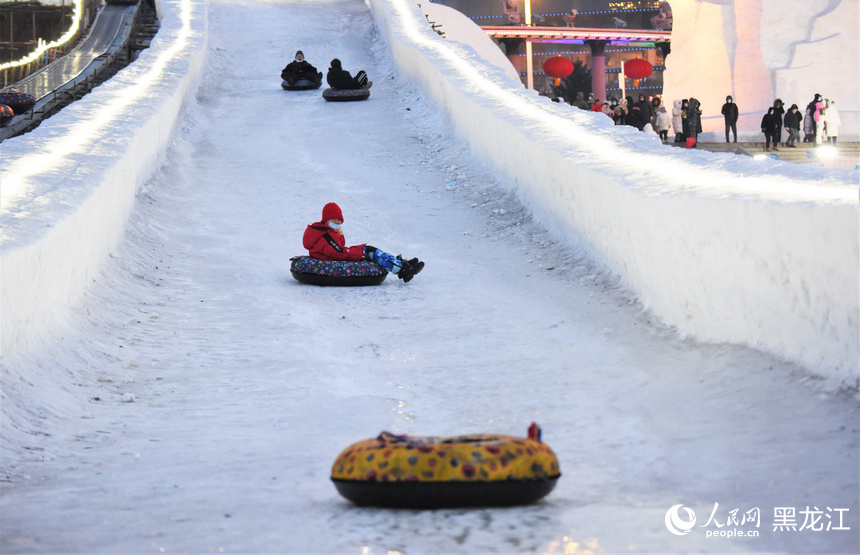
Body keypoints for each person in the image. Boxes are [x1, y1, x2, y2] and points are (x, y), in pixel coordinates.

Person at [303, 203, 424, 282]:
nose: (337, 221)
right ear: (325, 220)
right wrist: (359, 253)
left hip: (332, 257)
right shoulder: (326, 236)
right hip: (332, 260)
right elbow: (338, 252)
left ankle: (401, 264)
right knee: (370, 251)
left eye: (339, 219)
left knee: (369, 250)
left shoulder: (329, 233)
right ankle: (402, 269)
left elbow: (338, 249)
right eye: (334, 219)